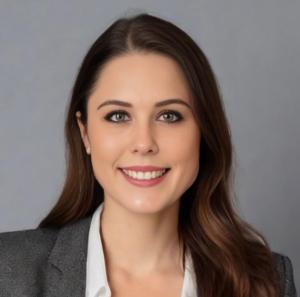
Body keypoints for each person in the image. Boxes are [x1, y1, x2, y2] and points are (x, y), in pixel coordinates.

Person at [0, 12, 297, 297]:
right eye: (118, 116)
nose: (144, 143)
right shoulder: (8, 271)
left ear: (204, 131)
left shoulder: (266, 282)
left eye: (169, 116)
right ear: (85, 133)